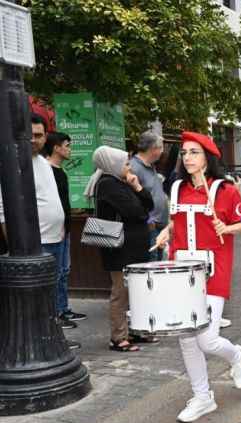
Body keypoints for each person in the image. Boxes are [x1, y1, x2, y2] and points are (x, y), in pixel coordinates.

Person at [154, 131, 241, 423]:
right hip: (181, 271)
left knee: (207, 339)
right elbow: (175, 223)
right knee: (186, 338)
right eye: (184, 153)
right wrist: (165, 232)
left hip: (214, 270)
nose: (187, 158)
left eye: (194, 152)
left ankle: (237, 356)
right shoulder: (176, 189)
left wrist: (227, 228)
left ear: (207, 158)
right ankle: (202, 396)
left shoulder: (225, 190)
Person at [0, 116, 79, 345]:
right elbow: (3, 208)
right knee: (37, 298)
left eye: (39, 135)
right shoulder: (12, 163)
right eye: (30, 135)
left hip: (55, 239)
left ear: (46, 137)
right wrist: (14, 242)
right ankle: (40, 343)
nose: (34, 140)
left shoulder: (43, 163)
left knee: (51, 294)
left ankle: (53, 340)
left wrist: (61, 228)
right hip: (33, 244)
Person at [84, 146, 153, 352]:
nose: (129, 166)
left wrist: (138, 187)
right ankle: (118, 337)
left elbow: (148, 206)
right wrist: (137, 194)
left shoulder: (122, 182)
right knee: (121, 292)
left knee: (135, 291)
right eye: (125, 163)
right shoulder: (108, 184)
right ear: (112, 164)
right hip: (120, 249)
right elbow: (137, 213)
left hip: (132, 247)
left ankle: (134, 331)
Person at [44, 132, 87, 334]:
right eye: (67, 145)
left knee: (64, 270)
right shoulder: (46, 170)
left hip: (64, 227)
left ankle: (63, 308)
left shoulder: (60, 171)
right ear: (56, 148)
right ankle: (56, 312)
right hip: (52, 231)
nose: (69, 149)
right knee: (56, 272)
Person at [130, 132, 169, 262]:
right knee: (152, 268)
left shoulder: (149, 166)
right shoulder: (134, 167)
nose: (162, 152)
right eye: (161, 148)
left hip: (159, 227)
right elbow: (133, 199)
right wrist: (149, 221)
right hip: (150, 227)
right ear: (153, 149)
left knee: (159, 265)